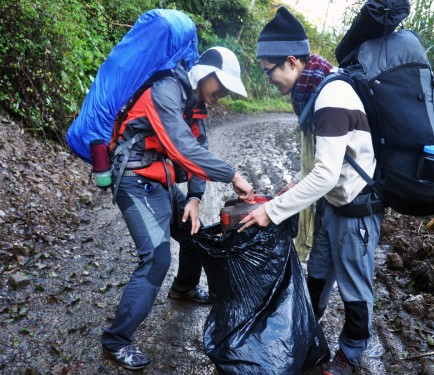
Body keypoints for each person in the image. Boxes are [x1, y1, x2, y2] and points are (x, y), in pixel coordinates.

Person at [239, 7, 384, 375]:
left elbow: (324, 174)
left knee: (354, 287)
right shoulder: (315, 91)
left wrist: (271, 210)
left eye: (268, 69)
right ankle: (306, 332)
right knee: (317, 272)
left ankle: (350, 355)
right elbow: (321, 166)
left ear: (291, 61)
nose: (268, 77)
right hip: (334, 206)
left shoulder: (332, 95)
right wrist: (292, 186)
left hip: (357, 210)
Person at [102, 46, 254, 370]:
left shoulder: (195, 105)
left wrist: (196, 199)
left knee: (194, 231)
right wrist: (232, 175)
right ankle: (117, 340)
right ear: (207, 74)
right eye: (222, 85)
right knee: (156, 259)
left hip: (161, 180)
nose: (224, 94)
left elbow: (199, 149)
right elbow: (181, 147)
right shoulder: (166, 90)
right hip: (134, 179)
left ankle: (183, 288)